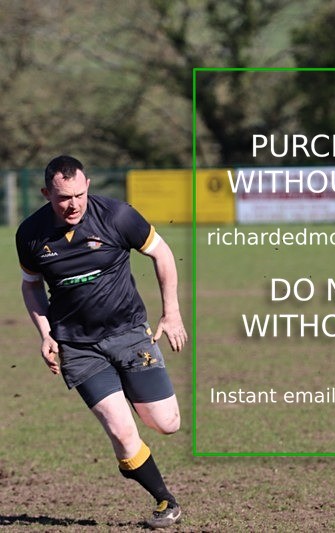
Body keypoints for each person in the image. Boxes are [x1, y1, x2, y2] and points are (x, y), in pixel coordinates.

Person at [15, 155, 188, 529]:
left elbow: (161, 253)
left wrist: (170, 312)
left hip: (128, 334)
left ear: (88, 185)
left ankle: (131, 408)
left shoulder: (117, 216)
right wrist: (45, 333)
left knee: (166, 423)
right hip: (77, 346)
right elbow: (31, 287)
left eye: (79, 194)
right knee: (122, 432)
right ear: (46, 194)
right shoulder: (30, 235)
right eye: (63, 198)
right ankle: (164, 500)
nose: (73, 204)